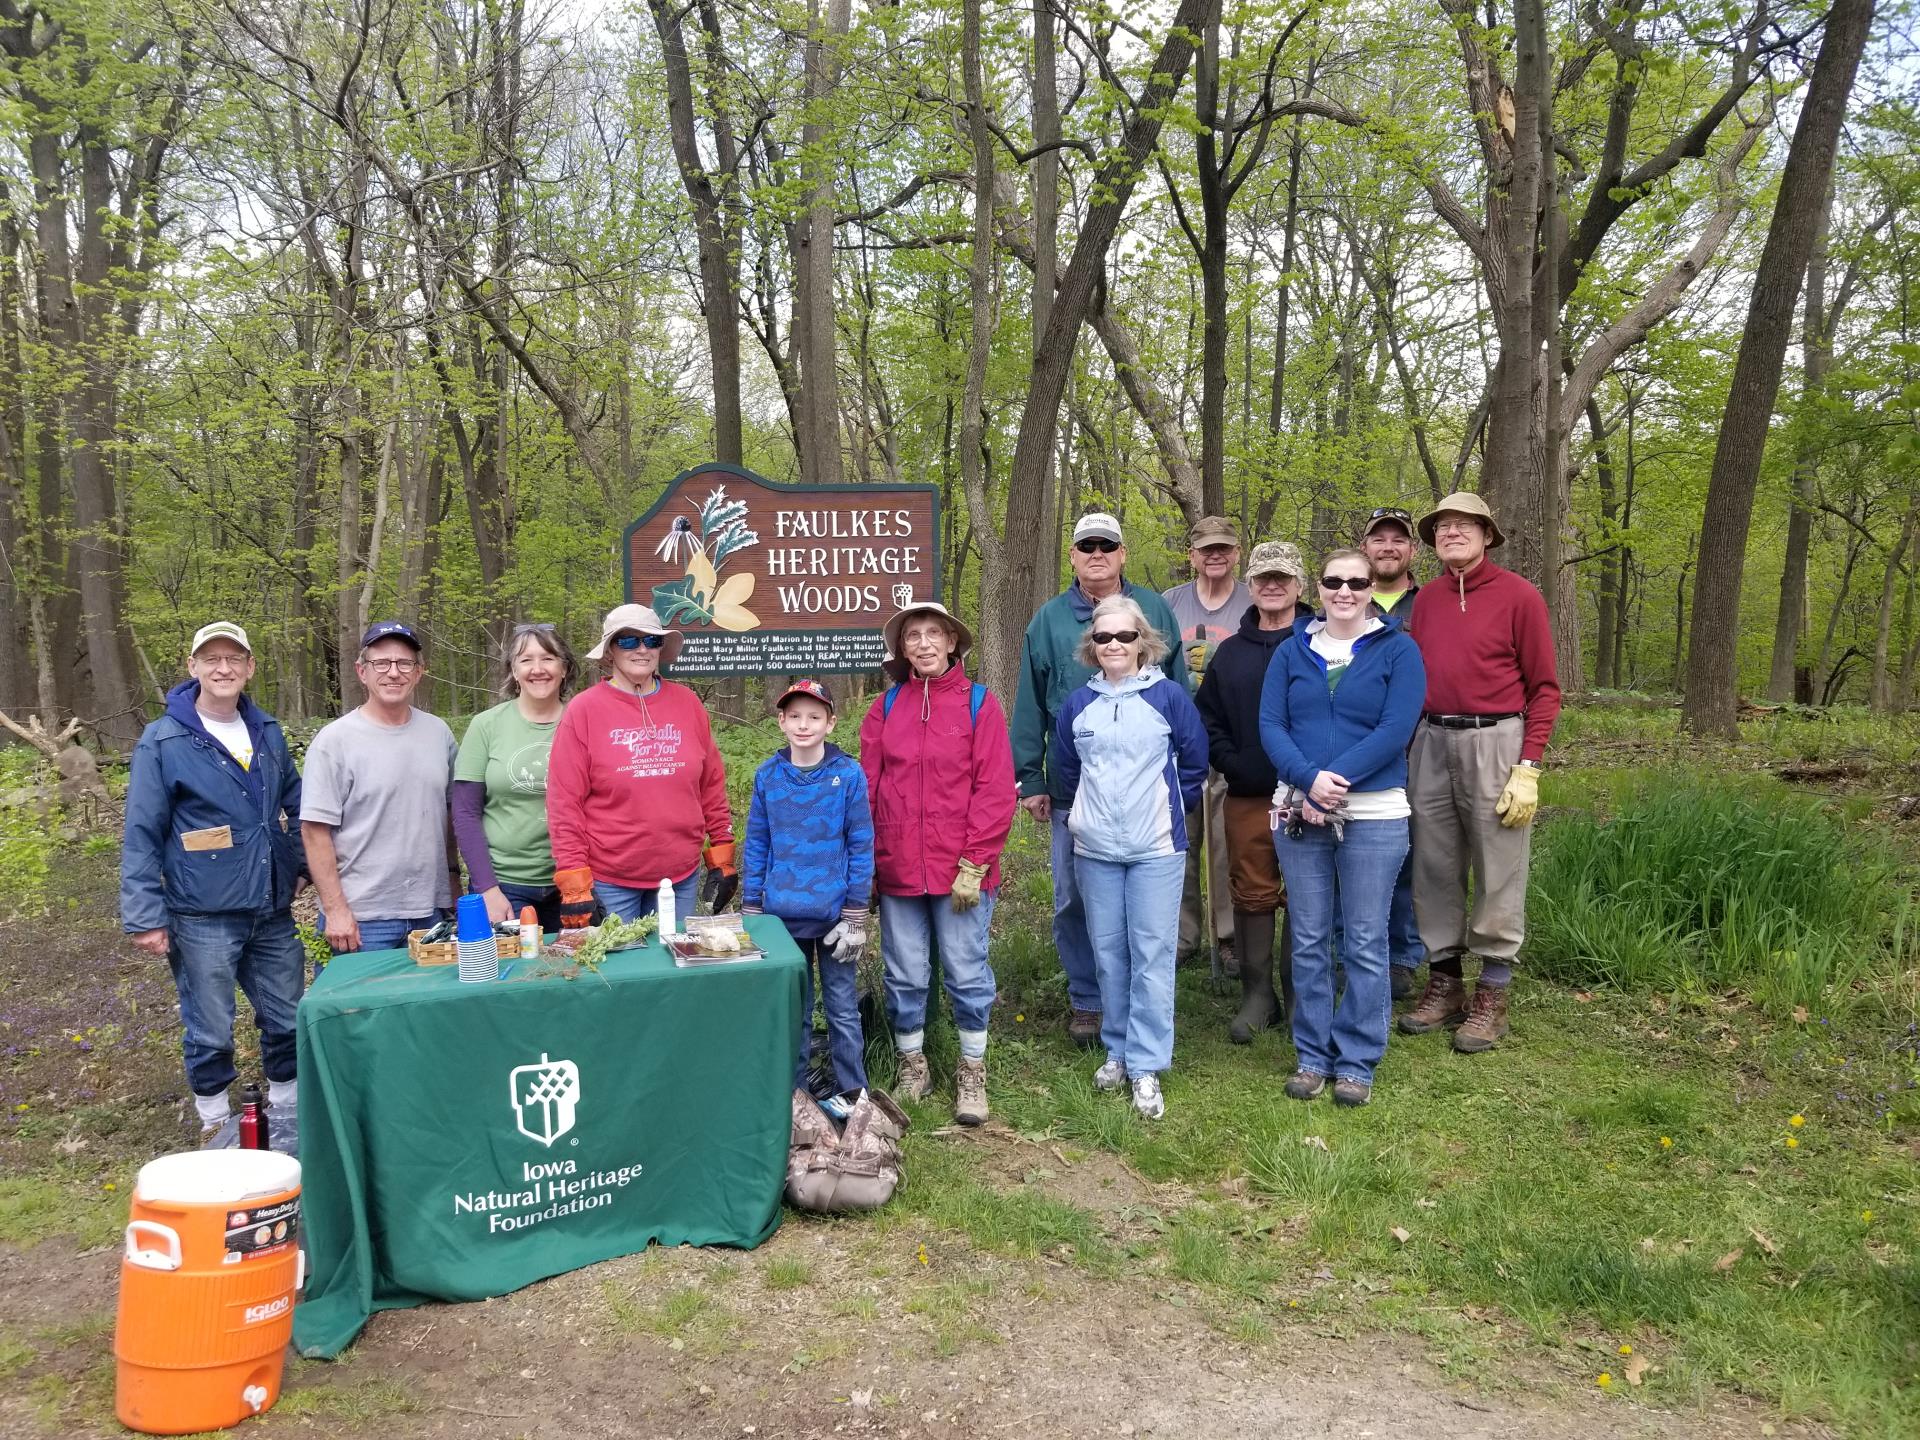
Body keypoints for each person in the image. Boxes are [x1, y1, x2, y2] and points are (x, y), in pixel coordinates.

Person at [122, 621, 307, 1152]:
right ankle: (212, 1118)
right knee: (211, 1025)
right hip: (202, 910)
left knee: (287, 1015)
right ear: (193, 666)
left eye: (234, 659)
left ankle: (286, 1111)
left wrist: (298, 865)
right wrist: (145, 913)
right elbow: (142, 829)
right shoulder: (165, 739)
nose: (223, 669)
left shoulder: (267, 731)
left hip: (271, 907)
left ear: (249, 668)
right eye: (212, 659)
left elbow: (297, 804)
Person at [1011, 512, 1186, 1049]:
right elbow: (1030, 704)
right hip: (1073, 789)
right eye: (1086, 545)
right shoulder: (1048, 620)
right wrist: (1030, 778)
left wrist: (1181, 782)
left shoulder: (1153, 609)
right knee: (1073, 897)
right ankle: (1088, 998)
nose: (1097, 554)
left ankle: (1138, 999)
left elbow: (1179, 697)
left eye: (1106, 546)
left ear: (1122, 553)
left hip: (1144, 790)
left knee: (1143, 903)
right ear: (1072, 554)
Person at [1260, 550, 1425, 1107]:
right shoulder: (1291, 651)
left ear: (1372, 587)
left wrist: (1338, 779)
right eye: (1334, 582)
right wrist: (1308, 780)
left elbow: (1396, 725)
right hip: (1298, 813)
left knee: (1363, 938)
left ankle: (1356, 1059)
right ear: (1319, 587)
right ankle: (1312, 1055)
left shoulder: (1398, 650)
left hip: (1374, 814)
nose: (1346, 591)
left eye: (1358, 582)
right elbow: (1272, 725)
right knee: (1307, 939)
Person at [1400, 492, 1562, 1052]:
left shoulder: (1520, 596)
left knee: (1499, 864)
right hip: (1431, 737)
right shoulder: (1428, 601)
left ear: (1487, 534)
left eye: (1464, 525)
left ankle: (1492, 993)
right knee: (1434, 863)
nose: (1451, 533)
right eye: (1442, 526)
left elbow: (1545, 689)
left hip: (1497, 740)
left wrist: (1530, 764)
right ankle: (1444, 984)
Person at [860, 602, 1016, 1126]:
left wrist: (974, 863)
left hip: (961, 871)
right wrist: (870, 869)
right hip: (899, 867)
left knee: (967, 971)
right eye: (913, 637)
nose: (924, 644)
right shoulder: (885, 708)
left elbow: (994, 790)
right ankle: (913, 1065)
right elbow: (869, 791)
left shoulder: (978, 704)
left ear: (952, 643)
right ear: (901, 649)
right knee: (904, 974)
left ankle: (972, 1068)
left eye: (934, 634)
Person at [1054, 595, 1208, 1121]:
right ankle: (1117, 1051)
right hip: (1095, 851)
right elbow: (1068, 772)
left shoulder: (1167, 698)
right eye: (1103, 638)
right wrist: (1084, 817)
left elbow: (1194, 762)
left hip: (1155, 850)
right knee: (1109, 954)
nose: (1114, 645)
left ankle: (1146, 1063)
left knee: (1152, 955)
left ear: (1143, 641)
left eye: (1124, 636)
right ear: (1091, 646)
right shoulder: (1078, 706)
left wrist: (1166, 811)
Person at [546, 604, 733, 927]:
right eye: (629, 641)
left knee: (676, 968)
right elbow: (564, 802)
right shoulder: (584, 710)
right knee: (624, 973)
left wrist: (722, 856)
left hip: (681, 875)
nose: (642, 649)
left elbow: (711, 785)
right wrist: (575, 883)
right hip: (611, 878)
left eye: (651, 641)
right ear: (610, 652)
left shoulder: (687, 704)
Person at [742, 679, 874, 1110]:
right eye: (795, 716)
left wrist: (857, 913)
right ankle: (794, 1096)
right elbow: (758, 842)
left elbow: (860, 843)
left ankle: (854, 1092)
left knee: (841, 1009)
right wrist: (752, 907)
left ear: (830, 722)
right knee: (794, 1012)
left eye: (814, 716)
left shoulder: (848, 774)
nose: (804, 725)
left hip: (835, 916)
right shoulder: (768, 776)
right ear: (781, 720)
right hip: (782, 918)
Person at [1195, 541, 1309, 1044]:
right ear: (1250, 586)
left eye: (1282, 577)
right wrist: (1232, 762)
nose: (1272, 585)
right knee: (1252, 892)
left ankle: (1304, 992)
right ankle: (1259, 994)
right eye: (1263, 577)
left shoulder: (1322, 643)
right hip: (1248, 793)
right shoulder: (1232, 653)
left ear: (1300, 586)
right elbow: (1208, 718)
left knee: (1309, 895)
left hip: (1312, 797)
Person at [302, 622, 459, 954]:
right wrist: (335, 910)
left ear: (419, 672)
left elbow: (449, 817)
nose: (393, 673)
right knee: (357, 1008)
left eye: (404, 664)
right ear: (362, 671)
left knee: (426, 1006)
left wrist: (453, 885)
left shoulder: (438, 734)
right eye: (381, 663)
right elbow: (315, 832)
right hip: (362, 917)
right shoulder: (335, 741)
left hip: (431, 911)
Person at [453, 623, 579, 933]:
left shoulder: (584, 720)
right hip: (505, 885)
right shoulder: (486, 726)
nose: (538, 669)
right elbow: (465, 812)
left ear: (564, 668)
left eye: (548, 658)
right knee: (507, 978)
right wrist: (487, 889)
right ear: (513, 670)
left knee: (572, 976)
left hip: (575, 881)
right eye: (526, 660)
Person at [1163, 515, 1247, 975]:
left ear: (1236, 553)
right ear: (1192, 555)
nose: (1215, 556)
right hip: (1177, 739)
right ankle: (1182, 933)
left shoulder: (1254, 602)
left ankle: (1229, 933)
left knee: (1226, 840)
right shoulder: (1168, 605)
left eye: (1224, 548)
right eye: (1206, 549)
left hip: (1232, 738)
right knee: (1180, 839)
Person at [1360, 505, 1425, 1000]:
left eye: (1397, 540)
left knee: (1407, 848)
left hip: (1421, 737)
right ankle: (1355, 948)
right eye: (1378, 539)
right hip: (1357, 741)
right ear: (1365, 548)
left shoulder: (1430, 603)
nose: (1388, 547)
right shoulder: (1346, 601)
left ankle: (1402, 953)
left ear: (1412, 549)